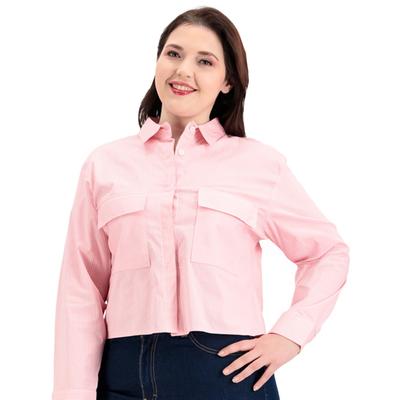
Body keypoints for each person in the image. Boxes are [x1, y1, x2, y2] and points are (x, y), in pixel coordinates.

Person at [51, 6, 350, 400]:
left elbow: (327, 252)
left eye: (205, 61)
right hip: (123, 372)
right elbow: (81, 288)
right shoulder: (104, 165)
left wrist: (289, 335)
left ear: (227, 82)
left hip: (226, 372)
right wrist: (72, 392)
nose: (183, 70)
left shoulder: (258, 164)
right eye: (173, 54)